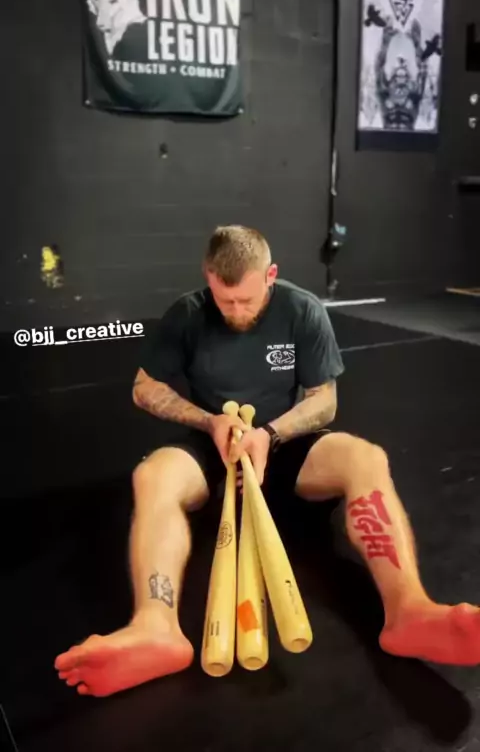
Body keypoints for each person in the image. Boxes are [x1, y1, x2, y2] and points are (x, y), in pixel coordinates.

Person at [55, 225, 480, 697]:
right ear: (208, 277)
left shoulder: (302, 310)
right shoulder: (187, 313)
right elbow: (144, 387)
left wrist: (270, 433)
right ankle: (155, 627)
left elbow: (324, 399)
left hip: (281, 442)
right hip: (215, 444)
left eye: (248, 300)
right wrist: (210, 421)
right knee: (152, 475)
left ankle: (410, 611)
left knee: (366, 457)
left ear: (271, 275)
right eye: (226, 301)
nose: (237, 311)